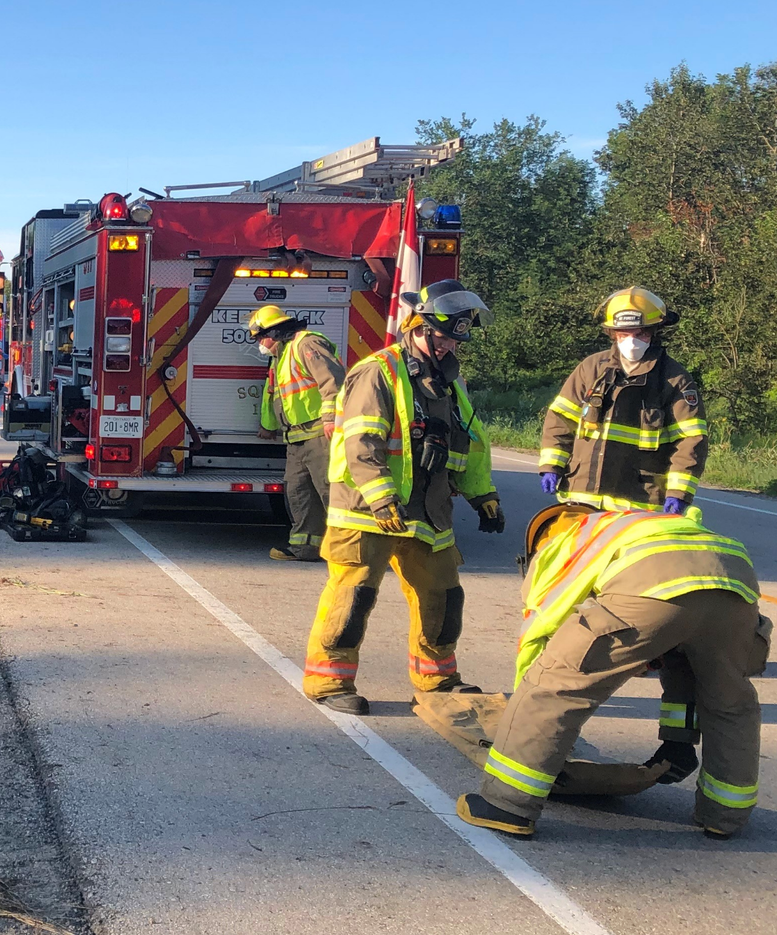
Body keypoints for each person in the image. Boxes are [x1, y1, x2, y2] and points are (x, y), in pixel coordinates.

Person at [458, 503, 764, 840]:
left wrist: (529, 693)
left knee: (555, 684)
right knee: (726, 698)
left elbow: (542, 627)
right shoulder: (637, 526)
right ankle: (724, 814)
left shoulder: (566, 543)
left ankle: (507, 805)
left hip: (657, 583)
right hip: (736, 583)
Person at [302, 281, 504, 715]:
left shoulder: (448, 378)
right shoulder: (378, 372)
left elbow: (469, 440)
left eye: (456, 339)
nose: (450, 346)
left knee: (444, 597)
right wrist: (381, 497)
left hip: (428, 510)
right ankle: (329, 682)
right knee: (353, 598)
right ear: (418, 327)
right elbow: (361, 443)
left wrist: (482, 493)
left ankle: (438, 679)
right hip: (366, 511)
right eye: (444, 336)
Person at [539, 286, 708, 513]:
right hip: (583, 497)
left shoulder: (674, 379)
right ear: (612, 333)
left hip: (639, 503)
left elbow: (691, 440)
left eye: (640, 334)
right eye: (624, 334)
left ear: (654, 331)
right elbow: (560, 420)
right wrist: (552, 466)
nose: (632, 341)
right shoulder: (591, 369)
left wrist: (679, 493)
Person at [251, 304, 346, 562]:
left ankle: (349, 551)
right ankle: (305, 548)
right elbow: (274, 395)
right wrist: (268, 426)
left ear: (274, 331)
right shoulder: (280, 356)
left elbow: (333, 382)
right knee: (298, 493)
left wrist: (330, 419)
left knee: (331, 492)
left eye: (260, 336)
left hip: (319, 434)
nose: (259, 342)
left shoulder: (306, 345)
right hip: (297, 438)